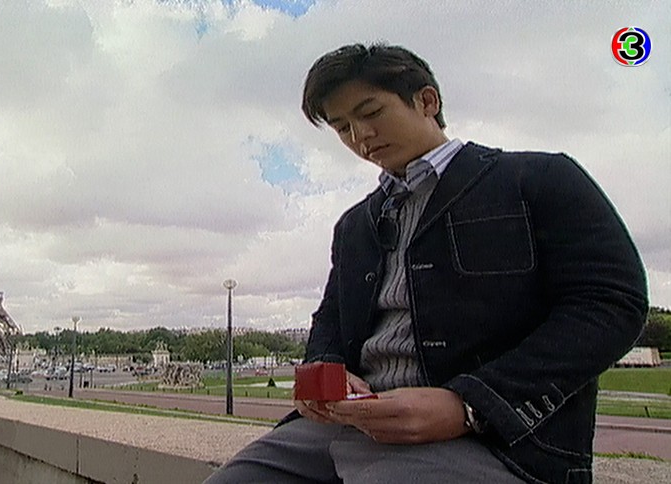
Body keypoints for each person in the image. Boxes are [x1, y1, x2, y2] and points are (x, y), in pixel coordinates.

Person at [204, 43, 648, 484]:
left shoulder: (539, 179)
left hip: (494, 442)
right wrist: (326, 372)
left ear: (427, 101)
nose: (360, 136)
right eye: (342, 127)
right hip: (340, 429)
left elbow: (612, 304)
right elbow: (331, 320)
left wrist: (470, 404)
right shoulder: (354, 225)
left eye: (371, 112)